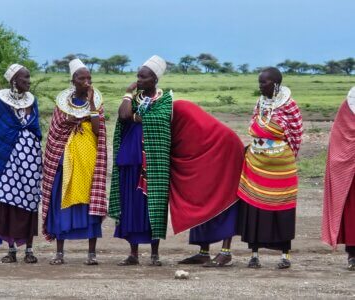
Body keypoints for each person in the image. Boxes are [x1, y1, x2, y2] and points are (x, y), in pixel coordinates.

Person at [41, 58, 107, 265]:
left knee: (90, 199)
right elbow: (56, 130)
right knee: (61, 197)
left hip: (88, 157)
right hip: (64, 157)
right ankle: (60, 252)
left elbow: (98, 130)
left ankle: (91, 254)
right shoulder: (62, 104)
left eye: (89, 78)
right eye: (81, 78)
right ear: (73, 80)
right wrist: (71, 122)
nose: (86, 81)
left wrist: (93, 106)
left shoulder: (96, 101)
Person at [237, 67, 303, 269]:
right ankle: (254, 254)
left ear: (275, 84)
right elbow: (255, 125)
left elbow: (296, 132)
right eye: (259, 82)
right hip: (256, 164)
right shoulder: (260, 102)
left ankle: (285, 256)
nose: (260, 86)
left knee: (281, 208)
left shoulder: (289, 105)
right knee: (254, 208)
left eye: (264, 82)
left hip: (280, 167)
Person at [109, 55, 171, 266]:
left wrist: (138, 118)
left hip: (153, 162)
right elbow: (124, 116)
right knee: (131, 204)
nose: (139, 80)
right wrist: (128, 94)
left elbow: (160, 120)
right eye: (138, 76)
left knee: (152, 205)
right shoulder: (134, 99)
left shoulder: (165, 100)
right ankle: (133, 253)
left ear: (155, 79)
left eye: (143, 77)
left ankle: (154, 254)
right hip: (130, 159)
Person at [169, 100, 244, 267]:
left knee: (224, 197)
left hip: (226, 150)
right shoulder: (178, 116)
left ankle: (226, 252)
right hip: (204, 154)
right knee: (200, 198)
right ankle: (203, 252)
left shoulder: (179, 111)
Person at [0, 64, 42, 264]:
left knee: (30, 203)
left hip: (31, 160)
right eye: (25, 79)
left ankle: (29, 250)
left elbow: (36, 129)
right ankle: (11, 251)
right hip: (7, 161)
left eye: (29, 78)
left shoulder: (32, 102)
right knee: (7, 202)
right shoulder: (1, 105)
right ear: (14, 81)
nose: (28, 82)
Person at [322, 86, 355, 271]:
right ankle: (353, 255)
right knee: (352, 215)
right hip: (351, 173)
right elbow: (339, 137)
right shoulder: (350, 104)